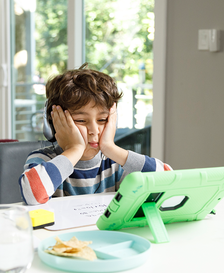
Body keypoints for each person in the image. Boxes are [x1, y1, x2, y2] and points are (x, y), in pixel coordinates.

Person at [19, 63, 172, 205]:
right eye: (81, 120)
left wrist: (110, 148)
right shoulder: (43, 160)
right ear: (54, 123)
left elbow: (168, 181)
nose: (94, 130)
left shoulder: (115, 162)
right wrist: (75, 149)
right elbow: (33, 194)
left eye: (102, 119)